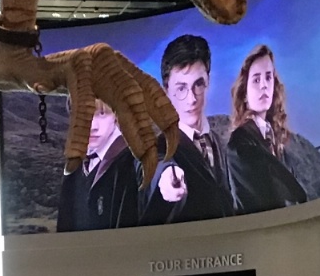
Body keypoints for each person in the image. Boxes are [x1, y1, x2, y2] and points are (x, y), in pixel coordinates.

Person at [142, 33, 236, 223]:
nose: (192, 99)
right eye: (181, 88)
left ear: (208, 81)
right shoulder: (160, 149)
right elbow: (157, 166)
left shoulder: (220, 143)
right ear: (166, 91)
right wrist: (164, 177)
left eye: (198, 84)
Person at [226, 45, 307, 214]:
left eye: (268, 77)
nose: (264, 85)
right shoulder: (240, 143)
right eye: (256, 80)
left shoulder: (275, 138)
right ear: (245, 93)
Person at [57, 101, 142, 231]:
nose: (92, 126)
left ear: (117, 115)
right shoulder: (76, 163)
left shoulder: (131, 161)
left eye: (102, 114)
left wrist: (165, 173)